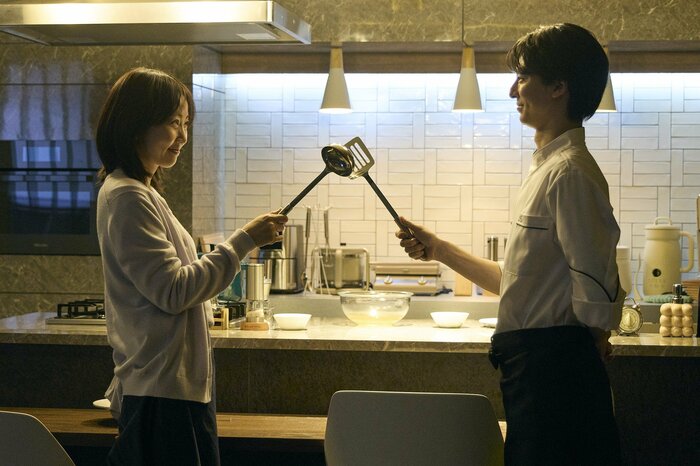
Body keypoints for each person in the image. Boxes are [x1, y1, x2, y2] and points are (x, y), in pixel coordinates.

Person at [397, 24, 624, 465]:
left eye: (522, 77)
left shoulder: (569, 173)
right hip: (537, 371)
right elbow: (517, 284)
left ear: (558, 87)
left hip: (556, 376)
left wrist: (595, 338)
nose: (511, 90)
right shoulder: (548, 169)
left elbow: (596, 297)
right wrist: (438, 249)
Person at [95, 67, 287, 465]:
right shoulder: (128, 197)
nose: (183, 136)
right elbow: (174, 290)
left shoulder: (142, 192)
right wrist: (245, 240)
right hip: (161, 392)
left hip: (171, 386)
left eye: (186, 124)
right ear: (135, 126)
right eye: (172, 123)